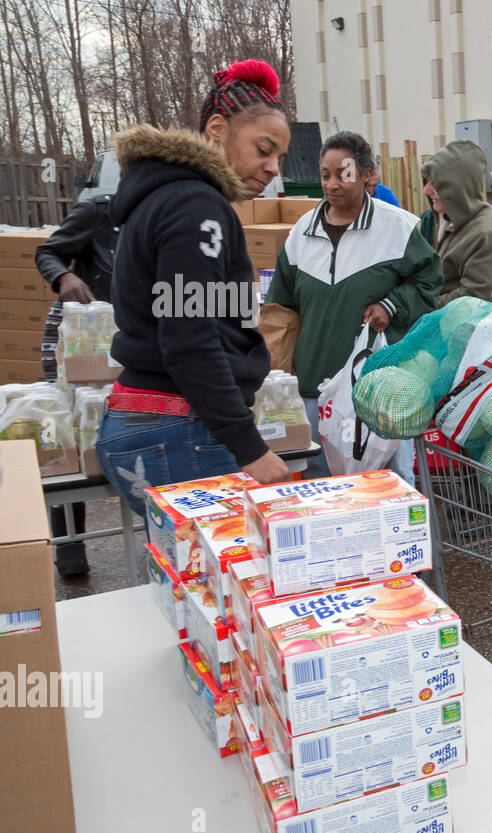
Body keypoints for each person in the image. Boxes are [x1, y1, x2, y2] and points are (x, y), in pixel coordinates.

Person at [96, 60, 294, 516]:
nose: (271, 169)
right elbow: (189, 335)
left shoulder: (168, 198)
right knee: (214, 580)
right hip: (178, 425)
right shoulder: (196, 207)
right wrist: (248, 446)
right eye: (263, 149)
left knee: (186, 578)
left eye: (279, 158)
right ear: (218, 129)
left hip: (155, 420)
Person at [264, 131, 443, 484]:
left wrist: (391, 305)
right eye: (324, 175)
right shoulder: (301, 233)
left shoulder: (399, 228)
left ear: (366, 174)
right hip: (314, 393)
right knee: (321, 485)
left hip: (379, 395)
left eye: (343, 174)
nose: (331, 184)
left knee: (390, 484)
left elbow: (430, 283)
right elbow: (279, 309)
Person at [34, 195, 118, 575]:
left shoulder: (166, 220)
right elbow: (47, 253)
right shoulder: (99, 212)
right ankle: (70, 544)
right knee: (70, 428)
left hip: (126, 339)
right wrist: (64, 276)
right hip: (78, 336)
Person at [418, 141, 492, 307]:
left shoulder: (486, 235)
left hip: (480, 330)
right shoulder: (450, 221)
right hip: (454, 326)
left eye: (435, 184)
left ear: (457, 188)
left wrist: (421, 308)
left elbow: (475, 300)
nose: (426, 190)